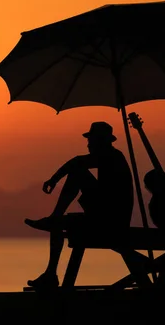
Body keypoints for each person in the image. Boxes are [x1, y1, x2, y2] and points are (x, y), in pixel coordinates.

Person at [25, 121, 134, 289]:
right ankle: (50, 273)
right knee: (60, 220)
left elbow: (77, 162)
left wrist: (54, 179)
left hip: (111, 223)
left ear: (102, 142)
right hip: (106, 216)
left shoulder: (111, 156)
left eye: (91, 140)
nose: (88, 144)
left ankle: (51, 270)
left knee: (76, 175)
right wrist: (55, 179)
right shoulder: (111, 157)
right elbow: (78, 163)